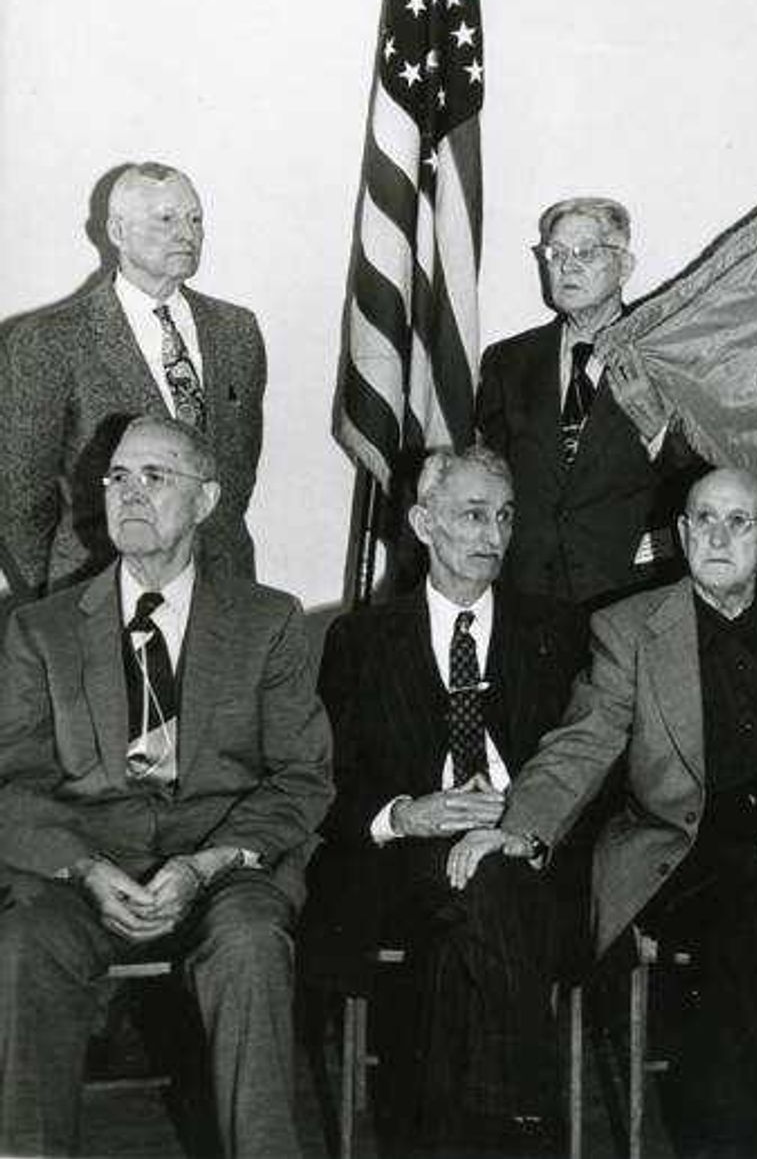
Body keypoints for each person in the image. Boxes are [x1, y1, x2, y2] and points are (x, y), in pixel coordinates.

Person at [449, 466, 757, 1159]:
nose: (717, 535)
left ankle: (727, 1144)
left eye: (738, 521)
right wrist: (518, 828)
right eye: (702, 519)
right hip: (676, 863)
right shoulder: (629, 630)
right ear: (679, 534)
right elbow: (580, 745)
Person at [0, 415, 332, 1157]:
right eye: (118, 476)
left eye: (156, 476)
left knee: (250, 943)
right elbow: (9, 783)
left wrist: (203, 864)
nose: (131, 493)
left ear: (207, 498)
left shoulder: (267, 621)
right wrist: (83, 867)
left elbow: (302, 778)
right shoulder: (41, 629)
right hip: (86, 866)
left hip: (222, 867)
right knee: (20, 942)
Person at [308, 445, 590, 1154]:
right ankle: (525, 1131)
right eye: (472, 515)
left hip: (525, 857)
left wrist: (518, 821)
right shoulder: (361, 638)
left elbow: (596, 769)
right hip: (400, 865)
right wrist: (406, 812)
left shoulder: (557, 632)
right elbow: (323, 783)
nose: (493, 535)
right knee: (481, 907)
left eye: (504, 516)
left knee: (470, 921)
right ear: (423, 521)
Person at [0, 161, 266, 600]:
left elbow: (236, 472)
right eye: (166, 219)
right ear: (117, 231)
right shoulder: (48, 341)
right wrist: (63, 599)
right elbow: (19, 500)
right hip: (95, 597)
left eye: (195, 218)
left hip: (224, 593)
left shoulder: (237, 331)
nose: (187, 233)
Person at [476, 195, 700, 605]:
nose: (567, 265)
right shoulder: (507, 362)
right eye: (555, 253)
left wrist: (656, 428)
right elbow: (488, 479)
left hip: (637, 594)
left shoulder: (667, 355)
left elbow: (705, 486)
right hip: (527, 597)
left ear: (625, 267)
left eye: (586, 252)